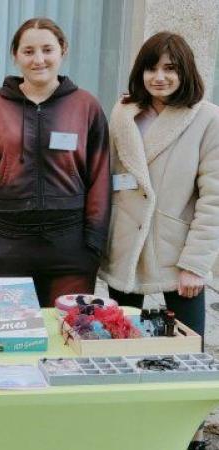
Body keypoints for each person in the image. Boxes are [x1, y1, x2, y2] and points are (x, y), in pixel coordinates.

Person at [0, 18, 110, 306]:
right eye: (28, 51)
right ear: (15, 56)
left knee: (68, 335)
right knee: (9, 340)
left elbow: (100, 179)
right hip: (6, 246)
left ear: (63, 50)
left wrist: (93, 243)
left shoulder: (86, 106)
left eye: (47, 49)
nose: (38, 59)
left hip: (70, 246)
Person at [100, 33, 219, 356]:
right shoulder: (123, 113)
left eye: (170, 68)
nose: (159, 77)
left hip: (176, 249)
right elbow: (108, 178)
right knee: (119, 347)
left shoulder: (207, 117)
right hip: (125, 244)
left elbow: (214, 199)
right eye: (150, 69)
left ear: (185, 72)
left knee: (187, 350)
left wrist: (195, 263)